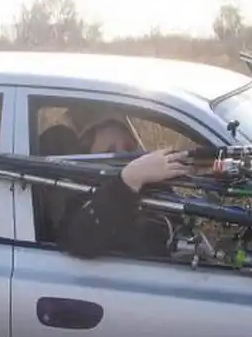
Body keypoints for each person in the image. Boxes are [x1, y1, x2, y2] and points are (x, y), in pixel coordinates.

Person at [55, 109, 192, 259]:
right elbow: (80, 242)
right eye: (111, 151)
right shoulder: (79, 195)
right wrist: (128, 181)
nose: (123, 156)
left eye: (129, 148)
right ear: (90, 155)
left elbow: (183, 230)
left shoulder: (154, 186)